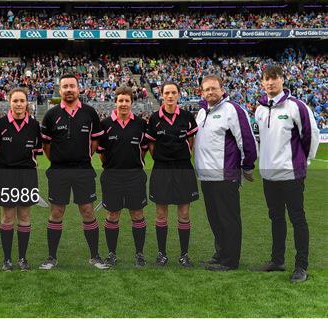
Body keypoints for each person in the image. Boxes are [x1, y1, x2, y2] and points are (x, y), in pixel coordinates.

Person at [255, 65, 319, 283]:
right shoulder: (260, 109)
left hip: (291, 174)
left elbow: (311, 135)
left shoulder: (296, 107)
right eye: (266, 79)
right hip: (269, 175)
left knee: (297, 219)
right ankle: (277, 260)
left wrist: (305, 161)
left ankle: (301, 266)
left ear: (282, 80)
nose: (270, 83)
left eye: (274, 78)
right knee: (275, 218)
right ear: (262, 83)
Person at [39, 74, 108, 270]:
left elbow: (95, 140)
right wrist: (59, 160)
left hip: (83, 170)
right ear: (60, 90)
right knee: (56, 212)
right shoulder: (51, 115)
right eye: (65, 87)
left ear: (79, 89)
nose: (69, 89)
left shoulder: (90, 113)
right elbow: (46, 145)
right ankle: (51, 257)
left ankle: (95, 256)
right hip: (59, 171)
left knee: (87, 211)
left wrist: (84, 156)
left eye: (72, 86)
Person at [195, 75, 257, 271]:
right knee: (215, 219)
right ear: (202, 93)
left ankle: (230, 261)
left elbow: (247, 140)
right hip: (207, 176)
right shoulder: (202, 113)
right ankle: (220, 253)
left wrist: (247, 166)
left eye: (214, 88)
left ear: (222, 89)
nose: (210, 92)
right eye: (207, 89)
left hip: (225, 175)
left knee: (228, 219)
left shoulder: (232, 110)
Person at [0, 87, 43, 272]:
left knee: (25, 216)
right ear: (9, 101)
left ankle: (22, 258)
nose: (19, 104)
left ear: (27, 102)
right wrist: (5, 166)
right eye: (15, 101)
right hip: (5, 175)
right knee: (7, 217)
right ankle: (6, 260)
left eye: (22, 101)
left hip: (27, 175)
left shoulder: (35, 126)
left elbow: (37, 153)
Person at [145, 81, 198, 267]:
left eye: (173, 92)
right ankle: (162, 254)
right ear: (161, 95)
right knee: (161, 214)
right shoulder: (153, 118)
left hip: (183, 168)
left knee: (184, 214)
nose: (170, 96)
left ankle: (184, 255)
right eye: (166, 92)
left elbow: (191, 141)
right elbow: (151, 144)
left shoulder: (187, 117)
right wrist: (162, 158)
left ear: (178, 95)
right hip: (162, 169)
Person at [97, 86, 149, 267]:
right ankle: (111, 253)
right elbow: (101, 153)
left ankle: (140, 254)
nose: (124, 104)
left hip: (135, 176)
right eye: (121, 100)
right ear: (115, 102)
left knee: (137, 214)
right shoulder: (105, 124)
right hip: (112, 176)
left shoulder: (140, 124)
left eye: (127, 101)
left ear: (132, 103)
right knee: (113, 214)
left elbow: (143, 150)